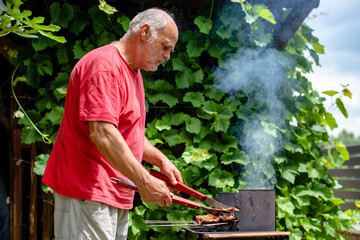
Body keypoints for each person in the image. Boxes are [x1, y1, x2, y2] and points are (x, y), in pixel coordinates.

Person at [42, 8, 182, 240]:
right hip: (87, 192)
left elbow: (128, 134)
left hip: (112, 192)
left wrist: (160, 161)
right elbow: (103, 134)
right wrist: (146, 181)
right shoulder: (104, 67)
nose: (167, 56)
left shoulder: (133, 73)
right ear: (145, 32)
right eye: (165, 47)